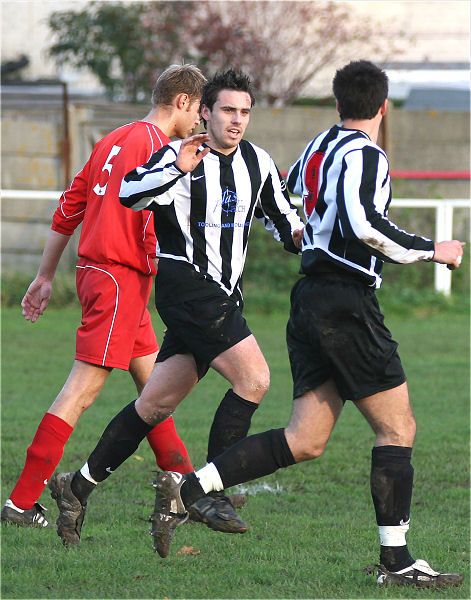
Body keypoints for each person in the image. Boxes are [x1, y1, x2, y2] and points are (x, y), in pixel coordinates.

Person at [149, 60, 465, 588]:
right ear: (383, 108)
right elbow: (364, 225)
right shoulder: (369, 154)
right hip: (346, 303)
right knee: (397, 427)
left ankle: (190, 487)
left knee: (306, 439)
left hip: (308, 300)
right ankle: (398, 562)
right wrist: (434, 250)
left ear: (338, 105)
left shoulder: (321, 144)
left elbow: (292, 186)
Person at [47, 68, 304, 553]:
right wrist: (177, 167)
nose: (237, 120)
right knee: (253, 379)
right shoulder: (180, 155)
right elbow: (129, 193)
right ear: (204, 111)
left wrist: (303, 237)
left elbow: (283, 217)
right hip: (185, 287)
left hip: (222, 297)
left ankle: (76, 487)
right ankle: (206, 491)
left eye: (244, 112)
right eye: (227, 110)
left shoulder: (258, 162)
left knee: (155, 403)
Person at [1, 64, 207, 529]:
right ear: (181, 103)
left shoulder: (111, 139)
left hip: (108, 277)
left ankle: (189, 491)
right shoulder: (161, 149)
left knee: (156, 387)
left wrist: (45, 275)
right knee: (82, 389)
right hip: (118, 278)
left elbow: (69, 206)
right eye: (198, 111)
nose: (198, 123)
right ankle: (20, 504)